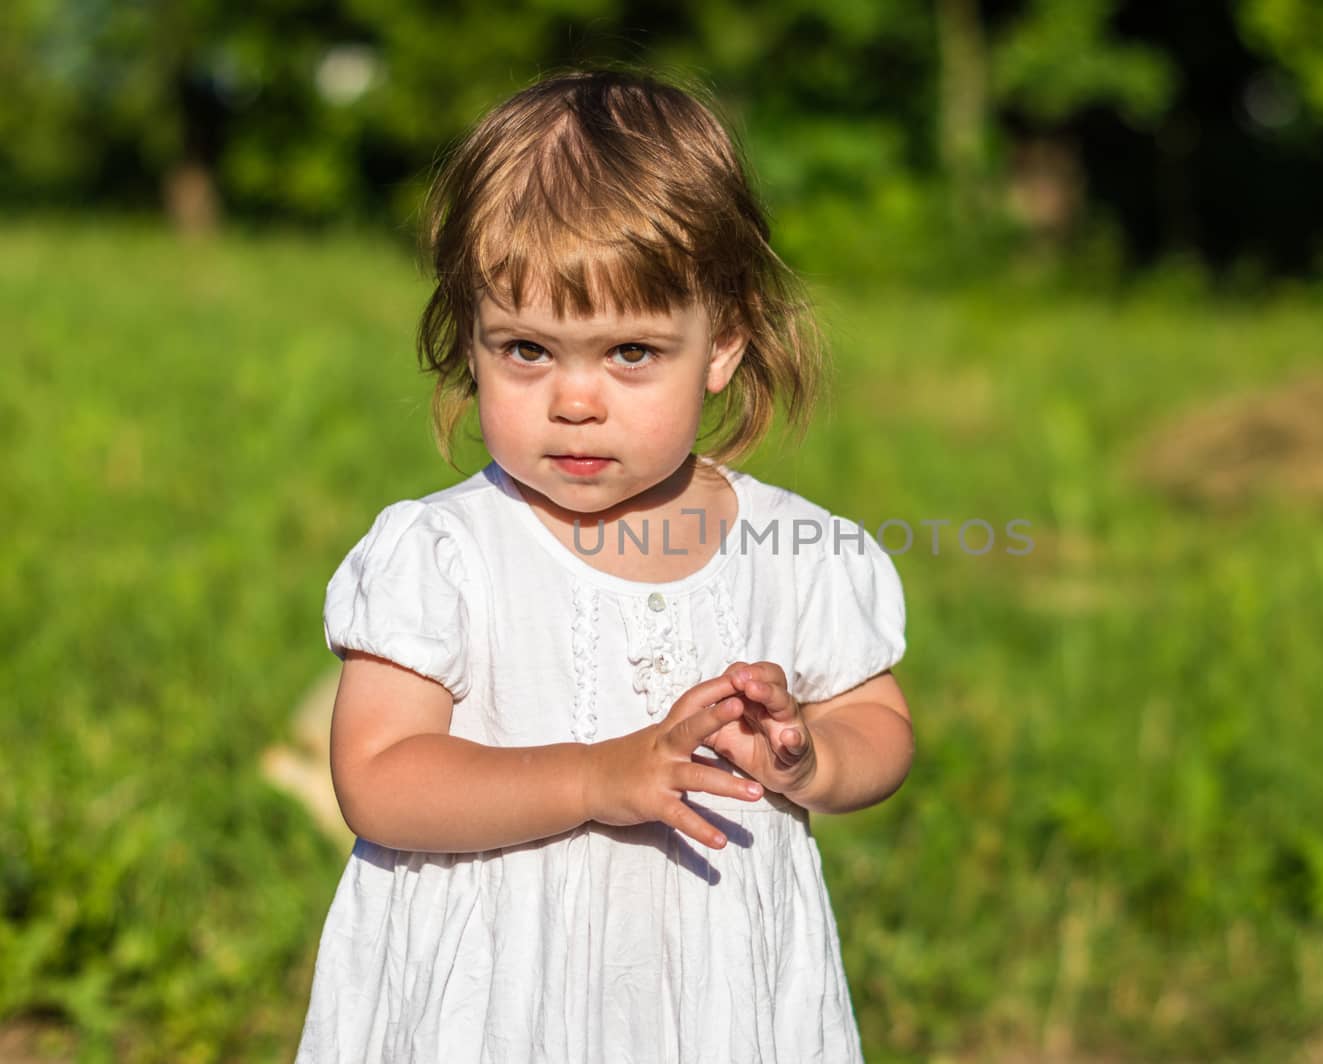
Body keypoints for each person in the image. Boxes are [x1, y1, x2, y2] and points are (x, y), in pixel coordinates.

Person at [294, 68, 914, 1063]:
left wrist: (809, 755)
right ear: (470, 341)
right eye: (528, 350)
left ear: (724, 343)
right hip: (496, 997)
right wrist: (592, 775)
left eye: (630, 352)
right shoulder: (446, 552)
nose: (574, 399)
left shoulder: (795, 549)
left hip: (706, 995)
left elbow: (877, 722)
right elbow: (377, 775)